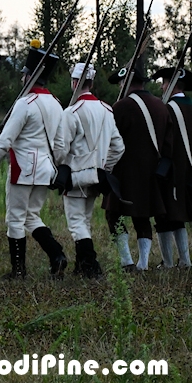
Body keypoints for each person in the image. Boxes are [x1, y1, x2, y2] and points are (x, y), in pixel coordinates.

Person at [0, 40, 68, 279]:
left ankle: (18, 270)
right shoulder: (56, 104)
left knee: (15, 218)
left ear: (31, 76)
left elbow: (5, 141)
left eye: (25, 74)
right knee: (32, 215)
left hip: (23, 170)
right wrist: (57, 166)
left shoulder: (24, 104)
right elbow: (60, 145)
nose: (22, 78)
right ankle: (57, 255)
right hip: (45, 170)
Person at [59, 62, 125, 277]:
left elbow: (61, 148)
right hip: (97, 176)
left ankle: (90, 266)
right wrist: (104, 167)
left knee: (76, 222)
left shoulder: (72, 112)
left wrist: (60, 167)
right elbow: (118, 147)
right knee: (84, 220)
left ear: (76, 83)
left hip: (76, 176)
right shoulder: (107, 109)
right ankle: (81, 265)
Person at [104, 68, 174, 271]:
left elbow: (111, 140)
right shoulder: (161, 106)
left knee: (113, 214)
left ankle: (127, 261)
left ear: (125, 83)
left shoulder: (121, 106)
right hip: (153, 172)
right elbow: (168, 144)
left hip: (124, 172)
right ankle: (143, 263)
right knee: (142, 216)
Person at [151, 67, 192, 269]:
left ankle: (168, 262)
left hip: (170, 172)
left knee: (164, 216)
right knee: (177, 218)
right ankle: (184, 260)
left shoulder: (167, 108)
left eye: (165, 82)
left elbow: (161, 142)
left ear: (174, 86)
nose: (161, 86)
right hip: (187, 171)